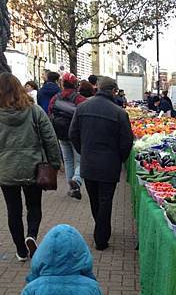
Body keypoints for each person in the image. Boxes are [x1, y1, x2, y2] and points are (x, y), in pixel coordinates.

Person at [0, 72, 61, 260]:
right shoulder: (34, 111)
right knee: (34, 205)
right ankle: (31, 235)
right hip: (33, 166)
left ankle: (20, 249)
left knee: (13, 209)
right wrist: (55, 163)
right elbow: (50, 138)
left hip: (6, 168)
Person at [69, 76, 133, 251]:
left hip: (89, 162)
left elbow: (73, 133)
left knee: (94, 199)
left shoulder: (82, 108)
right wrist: (119, 159)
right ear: (113, 91)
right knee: (106, 201)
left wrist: (84, 151)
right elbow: (127, 142)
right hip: (109, 164)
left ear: (98, 88)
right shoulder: (119, 113)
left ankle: (101, 228)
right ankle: (101, 236)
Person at [48, 72, 86, 200]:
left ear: (62, 84)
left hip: (61, 134)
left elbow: (50, 112)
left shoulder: (55, 97)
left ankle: (72, 188)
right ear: (75, 84)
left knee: (68, 160)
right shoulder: (79, 99)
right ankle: (76, 180)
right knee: (81, 160)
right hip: (76, 135)